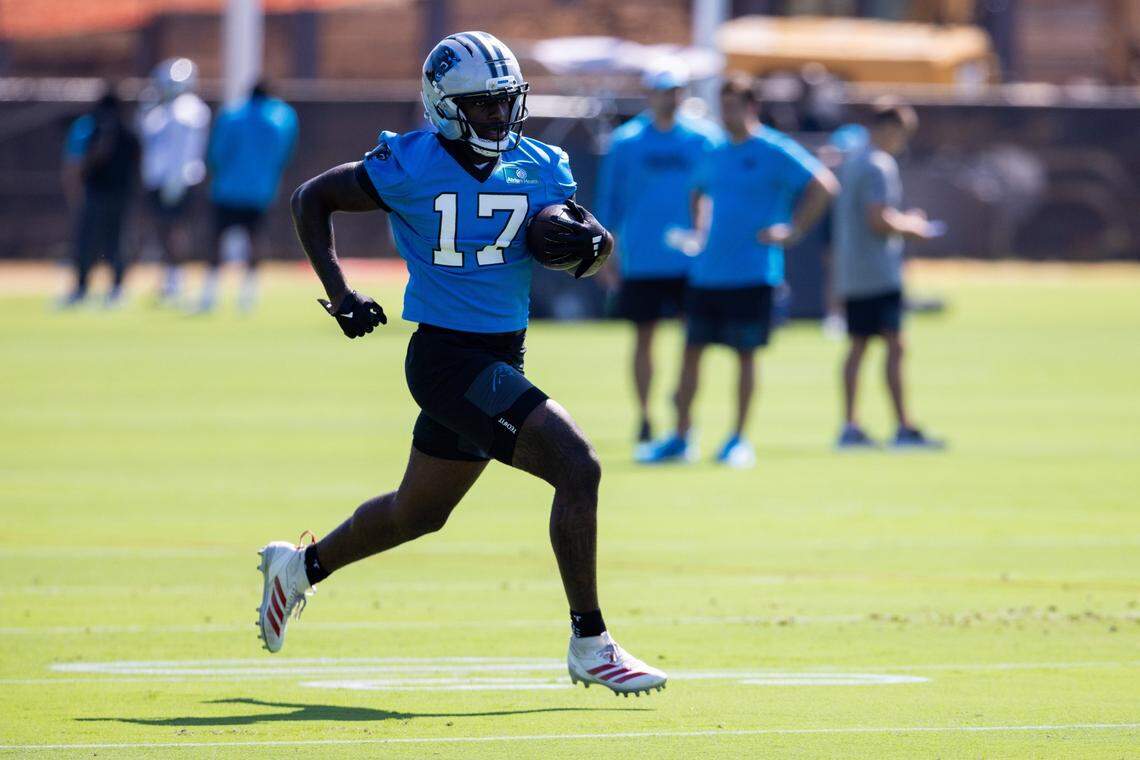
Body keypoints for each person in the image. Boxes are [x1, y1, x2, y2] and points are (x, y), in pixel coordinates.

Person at [255, 32, 667, 697]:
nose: (498, 119)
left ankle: (299, 567)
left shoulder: (543, 163)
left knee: (418, 513)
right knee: (578, 466)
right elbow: (312, 198)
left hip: (501, 352)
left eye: (506, 104)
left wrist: (593, 246)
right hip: (446, 357)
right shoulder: (410, 163)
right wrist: (341, 294)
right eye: (482, 106)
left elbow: (585, 243)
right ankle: (591, 641)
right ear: (444, 105)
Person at [647, 75, 838, 468]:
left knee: (745, 356)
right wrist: (697, 228)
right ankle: (681, 436)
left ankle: (737, 439)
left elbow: (824, 185)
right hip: (706, 273)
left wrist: (795, 229)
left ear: (751, 107)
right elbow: (697, 190)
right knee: (690, 353)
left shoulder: (773, 148)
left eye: (735, 105)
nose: (728, 113)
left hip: (753, 273)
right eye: (724, 105)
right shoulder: (713, 150)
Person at [595, 64, 720, 459]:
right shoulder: (626, 142)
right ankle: (646, 415)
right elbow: (609, 201)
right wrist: (606, 255)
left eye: (677, 90)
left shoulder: (704, 139)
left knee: (693, 342)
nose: (671, 97)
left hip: (690, 263)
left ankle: (684, 420)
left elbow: (716, 194)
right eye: (664, 90)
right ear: (650, 94)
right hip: (643, 260)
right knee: (644, 338)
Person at [832, 99, 943, 449]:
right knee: (894, 346)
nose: (903, 141)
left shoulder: (854, 162)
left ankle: (850, 426)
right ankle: (902, 426)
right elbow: (878, 219)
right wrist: (914, 227)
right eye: (903, 133)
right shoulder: (878, 164)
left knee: (858, 346)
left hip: (854, 270)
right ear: (889, 128)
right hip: (877, 272)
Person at [196, 81, 299, 313]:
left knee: (216, 239)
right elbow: (286, 153)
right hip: (261, 190)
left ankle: (209, 294)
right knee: (256, 240)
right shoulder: (283, 117)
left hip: (227, 189)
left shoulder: (232, 115)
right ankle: (248, 294)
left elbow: (217, 153)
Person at [138, 58, 211, 305]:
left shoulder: (189, 109)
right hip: (159, 179)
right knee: (162, 231)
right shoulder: (161, 110)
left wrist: (175, 180)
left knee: (175, 231)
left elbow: (183, 149)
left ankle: (176, 281)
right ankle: (169, 279)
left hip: (180, 179)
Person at [60, 88, 140, 308]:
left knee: (114, 244)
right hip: (99, 194)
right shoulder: (91, 128)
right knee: (90, 244)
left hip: (112, 196)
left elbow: (73, 166)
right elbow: (77, 163)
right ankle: (84, 287)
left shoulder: (124, 132)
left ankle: (113, 288)